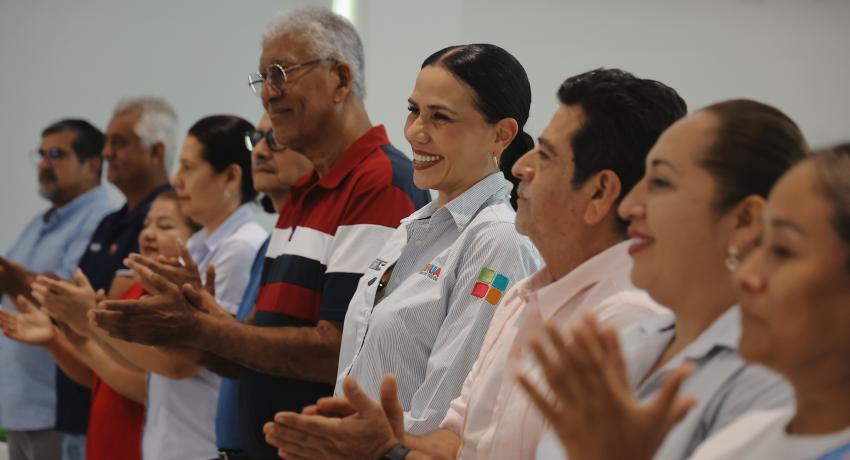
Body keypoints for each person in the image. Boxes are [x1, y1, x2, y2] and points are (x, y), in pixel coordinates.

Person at [264, 68, 686, 460]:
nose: (521, 166)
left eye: (548, 156)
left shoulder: (626, 322)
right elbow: (456, 433)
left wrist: (389, 452)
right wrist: (384, 443)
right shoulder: (524, 295)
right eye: (414, 111)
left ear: (599, 193)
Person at [89, 7, 430, 459]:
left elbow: (340, 352)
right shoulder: (303, 196)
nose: (269, 94)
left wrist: (204, 330)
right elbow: (259, 349)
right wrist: (201, 323)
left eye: (282, 73)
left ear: (341, 80)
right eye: (263, 78)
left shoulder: (379, 181)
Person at [522, 99, 808, 460]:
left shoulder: (772, 381)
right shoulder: (633, 340)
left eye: (660, 182)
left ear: (744, 220)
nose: (628, 206)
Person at [329, 43, 541, 436]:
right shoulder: (414, 226)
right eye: (414, 111)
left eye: (440, 117)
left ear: (502, 134)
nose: (415, 132)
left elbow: (446, 416)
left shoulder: (498, 241)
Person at [0, 190, 200, 460]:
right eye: (146, 224)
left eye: (164, 226)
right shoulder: (133, 291)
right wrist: (57, 339)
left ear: (196, 240)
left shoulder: (177, 303)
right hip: (104, 443)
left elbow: (145, 388)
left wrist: (88, 323)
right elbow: (98, 376)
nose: (149, 233)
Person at [54, 96, 176, 458]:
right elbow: (90, 308)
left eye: (119, 143)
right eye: (107, 142)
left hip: (138, 428)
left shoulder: (165, 238)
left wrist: (85, 312)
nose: (106, 153)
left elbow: (105, 316)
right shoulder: (112, 221)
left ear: (156, 152)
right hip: (90, 408)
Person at [0, 119, 114, 460]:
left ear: (92, 164)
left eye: (56, 154)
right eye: (41, 154)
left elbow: (69, 301)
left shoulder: (100, 220)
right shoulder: (43, 221)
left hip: (56, 406)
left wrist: (16, 279)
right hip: (20, 407)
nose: (44, 164)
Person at [213, 112, 313, 458]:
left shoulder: (315, 245)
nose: (258, 152)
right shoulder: (267, 245)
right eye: (255, 139)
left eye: (276, 138)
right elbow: (249, 345)